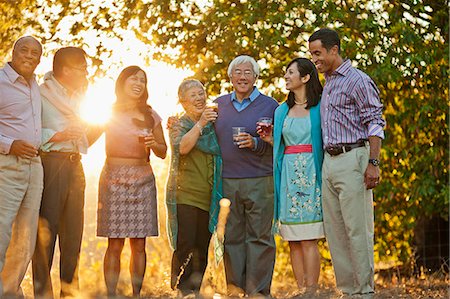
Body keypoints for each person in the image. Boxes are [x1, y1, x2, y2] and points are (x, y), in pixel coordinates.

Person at [308, 28, 385, 297]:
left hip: (354, 159)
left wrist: (373, 162)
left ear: (334, 50)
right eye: (311, 54)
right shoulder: (327, 82)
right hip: (329, 163)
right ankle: (348, 291)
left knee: (357, 230)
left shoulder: (357, 80)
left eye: (318, 53)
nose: (314, 59)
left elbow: (375, 122)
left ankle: (364, 292)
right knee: (336, 233)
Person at [32, 46, 102, 298]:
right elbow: (28, 132)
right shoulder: (38, 94)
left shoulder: (82, 96)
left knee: (73, 236)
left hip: (76, 166)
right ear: (65, 70)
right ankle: (42, 294)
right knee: (45, 236)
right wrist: (57, 135)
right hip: (50, 165)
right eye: (82, 67)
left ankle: (70, 293)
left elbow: (89, 131)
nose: (86, 72)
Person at [97, 65, 167, 297]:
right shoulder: (108, 112)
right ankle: (111, 294)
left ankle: (136, 294)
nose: (138, 84)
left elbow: (163, 151)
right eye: (133, 79)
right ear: (122, 83)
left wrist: (152, 144)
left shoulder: (150, 114)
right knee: (114, 244)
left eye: (143, 80)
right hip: (113, 178)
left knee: (139, 244)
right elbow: (87, 135)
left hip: (143, 180)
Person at [214, 55, 278, 296]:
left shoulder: (271, 106)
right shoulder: (218, 105)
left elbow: (277, 144)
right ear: (230, 77)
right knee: (231, 238)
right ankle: (236, 290)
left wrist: (256, 144)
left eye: (247, 72)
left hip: (261, 179)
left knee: (260, 238)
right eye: (237, 72)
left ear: (255, 77)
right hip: (228, 180)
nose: (242, 77)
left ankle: (259, 292)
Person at [260, 57, 324, 294]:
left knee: (309, 238)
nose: (286, 76)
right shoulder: (281, 111)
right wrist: (269, 139)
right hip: (287, 175)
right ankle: (300, 290)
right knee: (293, 240)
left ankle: (312, 291)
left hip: (311, 172)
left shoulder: (320, 107)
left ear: (305, 77)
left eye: (291, 73)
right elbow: (281, 145)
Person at [165, 79, 222, 296]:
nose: (199, 98)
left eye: (201, 93)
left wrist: (207, 123)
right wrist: (200, 124)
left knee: (201, 247)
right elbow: (183, 148)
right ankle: (179, 290)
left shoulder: (214, 123)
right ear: (183, 103)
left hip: (209, 195)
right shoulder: (178, 125)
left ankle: (194, 291)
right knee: (185, 244)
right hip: (184, 195)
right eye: (193, 96)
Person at [0, 36, 43, 297]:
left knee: (24, 238)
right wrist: (9, 144)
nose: (29, 55)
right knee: (1, 230)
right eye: (24, 50)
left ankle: (9, 291)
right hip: (6, 165)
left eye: (35, 53)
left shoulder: (35, 84)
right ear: (13, 52)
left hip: (34, 167)